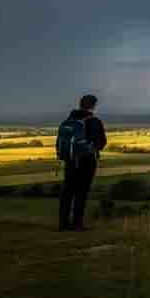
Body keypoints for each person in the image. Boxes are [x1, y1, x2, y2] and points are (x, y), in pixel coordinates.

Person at [57, 93, 107, 230]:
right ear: (94, 106)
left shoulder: (69, 119)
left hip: (70, 160)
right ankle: (77, 224)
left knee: (68, 191)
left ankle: (63, 223)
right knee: (82, 191)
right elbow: (102, 142)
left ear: (80, 104)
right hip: (87, 160)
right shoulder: (94, 121)